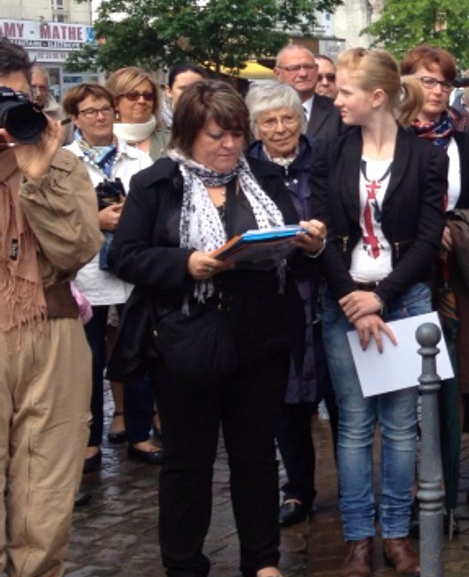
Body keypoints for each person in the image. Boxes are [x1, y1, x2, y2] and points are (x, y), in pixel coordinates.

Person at [108, 79, 326, 577]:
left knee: (255, 455)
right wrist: (186, 264)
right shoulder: (157, 182)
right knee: (188, 462)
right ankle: (185, 565)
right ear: (187, 135)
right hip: (187, 341)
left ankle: (262, 561)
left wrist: (310, 244)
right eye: (216, 136)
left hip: (261, 337)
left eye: (235, 134)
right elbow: (125, 256)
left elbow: (294, 249)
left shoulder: (265, 178)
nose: (229, 146)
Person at [311, 47, 446, 577]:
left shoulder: (427, 157)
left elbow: (430, 236)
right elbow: (319, 230)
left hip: (404, 299)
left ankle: (395, 534)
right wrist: (354, 300)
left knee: (399, 425)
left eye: (345, 92)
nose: (336, 99)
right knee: (352, 425)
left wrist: (383, 297)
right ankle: (357, 540)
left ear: (377, 96)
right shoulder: (329, 151)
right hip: (345, 297)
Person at [0, 37, 101, 576]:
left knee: (45, 510)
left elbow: (78, 249)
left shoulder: (58, 163)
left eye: (21, 98)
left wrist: (37, 177)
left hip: (53, 333)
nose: (13, 111)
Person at [402, 46, 469, 509]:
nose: (437, 91)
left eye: (444, 82)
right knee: (413, 379)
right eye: (427, 81)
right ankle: (420, 481)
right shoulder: (392, 139)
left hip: (463, 271)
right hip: (407, 272)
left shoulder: (463, 140)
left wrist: (461, 229)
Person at [244, 81, 336, 529]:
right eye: (269, 121)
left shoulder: (324, 157)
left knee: (342, 395)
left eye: (287, 118)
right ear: (255, 128)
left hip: (328, 289)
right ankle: (297, 490)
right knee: (288, 400)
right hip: (276, 296)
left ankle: (356, 490)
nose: (281, 129)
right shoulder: (246, 170)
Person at [62, 83, 163, 474]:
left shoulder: (136, 161)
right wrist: (95, 219)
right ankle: (88, 441)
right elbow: (56, 218)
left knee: (137, 355)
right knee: (86, 363)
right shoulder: (63, 162)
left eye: (105, 109)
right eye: (89, 111)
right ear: (75, 118)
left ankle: (139, 433)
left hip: (131, 271)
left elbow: (154, 210)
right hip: (85, 275)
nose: (100, 116)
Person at [275, 45, 340, 147]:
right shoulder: (264, 111)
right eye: (294, 68)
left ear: (316, 69)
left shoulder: (338, 111)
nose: (303, 74)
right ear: (278, 74)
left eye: (308, 67)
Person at [106, 66, 169, 159]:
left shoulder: (172, 141)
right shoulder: (101, 143)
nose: (142, 101)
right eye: (132, 95)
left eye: (148, 96)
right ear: (115, 102)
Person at [161, 63, 209, 128]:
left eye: (196, 88)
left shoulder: (214, 122)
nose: (190, 93)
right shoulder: (155, 123)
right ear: (169, 91)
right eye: (184, 88)